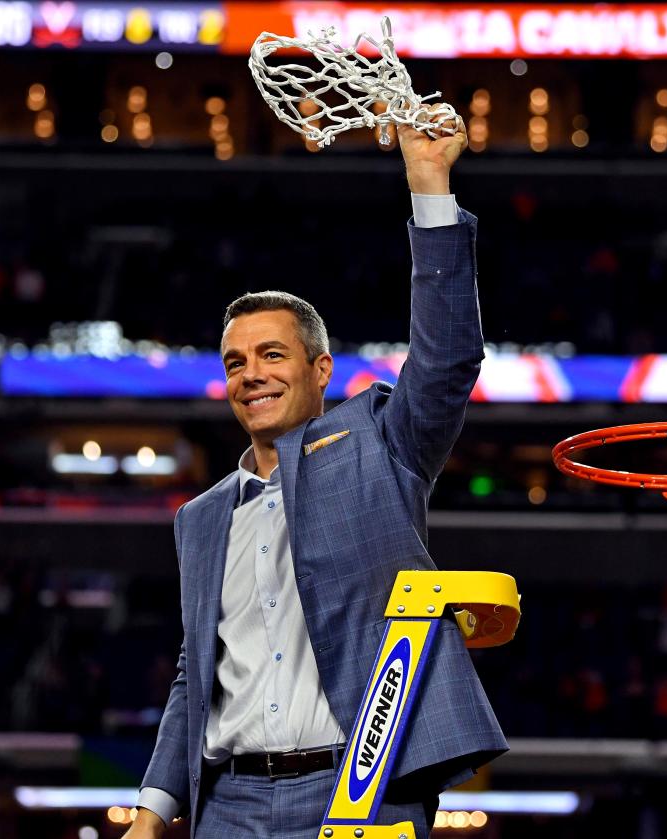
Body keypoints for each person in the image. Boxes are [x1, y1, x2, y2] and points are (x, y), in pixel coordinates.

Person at [125, 113, 507, 839]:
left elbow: (449, 359)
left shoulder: (378, 444)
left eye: (272, 354)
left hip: (358, 791)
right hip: (228, 806)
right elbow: (194, 675)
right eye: (235, 363)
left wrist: (428, 185)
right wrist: (151, 811)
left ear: (319, 369)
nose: (251, 374)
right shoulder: (200, 518)